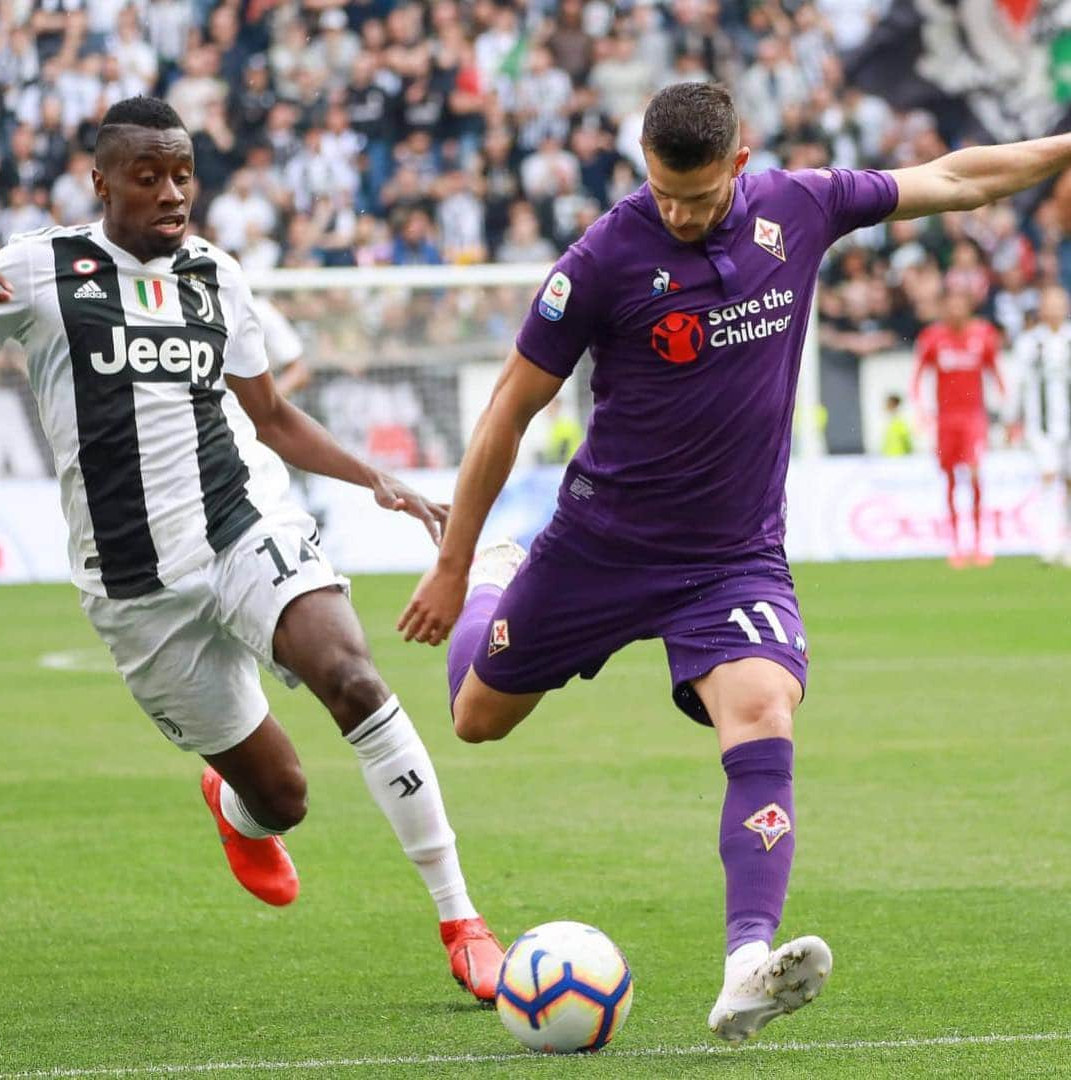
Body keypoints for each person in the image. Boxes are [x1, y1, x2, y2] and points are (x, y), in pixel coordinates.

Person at [397, 80, 1071, 1042]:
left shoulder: (803, 207)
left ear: (740, 164)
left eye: (699, 197)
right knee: (477, 720)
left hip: (732, 557)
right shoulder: (600, 260)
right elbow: (510, 407)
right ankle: (505, 578)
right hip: (601, 546)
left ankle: (748, 960)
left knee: (762, 711)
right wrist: (458, 563)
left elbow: (958, 178)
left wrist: (1063, 146)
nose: (676, 213)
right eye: (662, 193)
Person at [0, 97, 504, 1002]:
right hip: (137, 587)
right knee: (284, 798)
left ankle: (462, 918)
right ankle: (237, 810)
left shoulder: (215, 277)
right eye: (147, 177)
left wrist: (372, 480)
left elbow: (268, 415)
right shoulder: (39, 272)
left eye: (183, 173)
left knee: (354, 677)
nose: (171, 192)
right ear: (101, 182)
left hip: (241, 523)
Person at [911, 287, 1004, 567]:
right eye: (949, 306)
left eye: (959, 305)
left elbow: (995, 372)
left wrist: (1007, 411)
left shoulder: (984, 334)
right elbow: (918, 377)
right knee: (950, 479)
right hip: (945, 419)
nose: (955, 311)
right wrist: (921, 412)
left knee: (975, 475)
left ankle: (979, 542)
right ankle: (954, 544)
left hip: (973, 417)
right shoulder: (932, 338)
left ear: (968, 307)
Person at [1005, 283, 1071, 565]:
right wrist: (1010, 419)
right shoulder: (1029, 342)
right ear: (1042, 309)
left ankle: (1067, 544)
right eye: (1050, 304)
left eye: (1060, 303)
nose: (1055, 309)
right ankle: (1048, 543)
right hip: (1041, 426)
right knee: (1048, 477)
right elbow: (1017, 384)